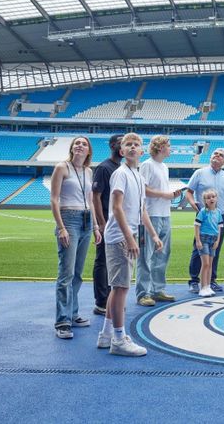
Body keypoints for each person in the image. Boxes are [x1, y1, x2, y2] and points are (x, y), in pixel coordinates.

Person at [96, 132, 162, 357]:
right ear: (121, 151)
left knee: (118, 287)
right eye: (128, 145)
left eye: (136, 144)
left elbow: (142, 210)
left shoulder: (137, 176)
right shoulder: (121, 174)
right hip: (119, 237)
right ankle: (118, 338)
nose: (133, 147)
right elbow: (116, 208)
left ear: (141, 151)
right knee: (122, 288)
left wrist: (153, 234)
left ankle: (106, 335)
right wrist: (130, 237)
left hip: (128, 234)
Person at [51, 136, 102, 340]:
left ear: (89, 151)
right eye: (77, 143)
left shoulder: (88, 171)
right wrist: (61, 227)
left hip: (87, 220)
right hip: (69, 219)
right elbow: (54, 199)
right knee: (66, 273)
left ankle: (73, 313)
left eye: (84, 144)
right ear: (72, 148)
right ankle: (62, 321)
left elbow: (90, 200)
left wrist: (96, 226)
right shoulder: (62, 168)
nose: (80, 146)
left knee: (78, 273)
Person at [136, 135, 183, 306]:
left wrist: (170, 195)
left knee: (162, 254)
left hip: (165, 214)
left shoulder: (164, 166)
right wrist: (165, 195)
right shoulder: (147, 165)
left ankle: (157, 290)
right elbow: (143, 189)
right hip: (151, 214)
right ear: (160, 147)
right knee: (146, 255)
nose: (171, 148)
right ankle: (143, 293)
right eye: (168, 145)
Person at [185, 148, 224, 294]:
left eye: (221, 155)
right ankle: (194, 280)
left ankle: (211, 280)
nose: (217, 156)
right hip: (203, 216)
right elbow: (188, 191)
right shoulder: (199, 173)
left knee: (215, 248)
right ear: (210, 157)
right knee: (199, 247)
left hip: (220, 217)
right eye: (215, 153)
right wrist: (192, 204)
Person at [91, 134, 123, 316]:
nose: (122, 146)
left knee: (114, 262)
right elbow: (95, 195)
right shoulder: (104, 168)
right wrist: (101, 222)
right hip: (107, 222)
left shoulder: (122, 168)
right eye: (120, 142)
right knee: (102, 260)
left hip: (119, 224)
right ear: (112, 146)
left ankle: (111, 298)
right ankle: (101, 301)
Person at [194, 189, 224, 297]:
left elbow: (219, 228)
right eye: (208, 197)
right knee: (205, 264)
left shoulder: (219, 212)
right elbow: (197, 226)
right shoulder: (203, 212)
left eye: (213, 197)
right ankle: (202, 287)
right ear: (205, 201)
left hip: (213, 239)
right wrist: (198, 240)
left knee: (210, 264)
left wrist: (217, 241)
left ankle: (208, 286)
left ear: (216, 198)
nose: (211, 199)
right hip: (204, 239)